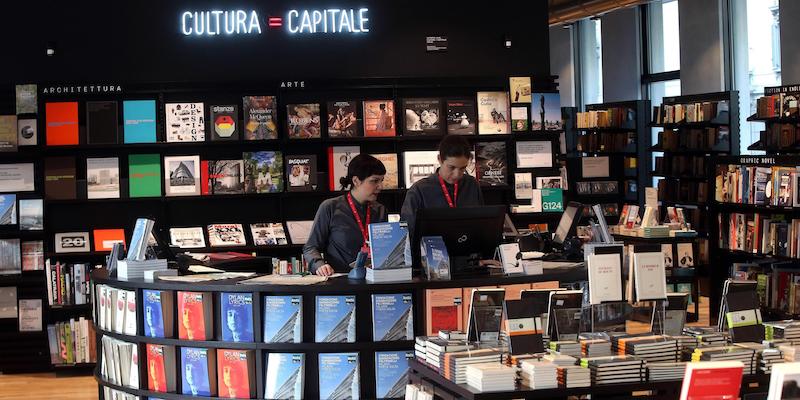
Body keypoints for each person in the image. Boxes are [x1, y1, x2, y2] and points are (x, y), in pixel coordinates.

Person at [304, 154, 388, 276]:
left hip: (373, 280)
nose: (380, 186)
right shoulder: (330, 207)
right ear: (356, 181)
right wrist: (320, 265)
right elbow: (310, 248)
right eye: (374, 181)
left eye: (381, 181)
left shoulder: (381, 210)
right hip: (340, 282)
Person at [401, 135, 484, 237]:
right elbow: (407, 231)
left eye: (462, 168)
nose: (457, 174)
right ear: (440, 159)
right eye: (451, 167)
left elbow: (481, 223)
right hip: (431, 250)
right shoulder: (419, 190)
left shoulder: (472, 185)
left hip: (468, 248)